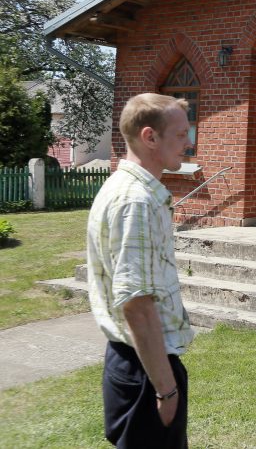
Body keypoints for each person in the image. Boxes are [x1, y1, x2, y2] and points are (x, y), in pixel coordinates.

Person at [87, 93, 195, 447]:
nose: (189, 143)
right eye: (180, 135)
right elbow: (136, 303)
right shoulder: (136, 200)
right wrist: (165, 390)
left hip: (138, 364)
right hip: (146, 369)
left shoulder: (131, 190)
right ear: (150, 137)